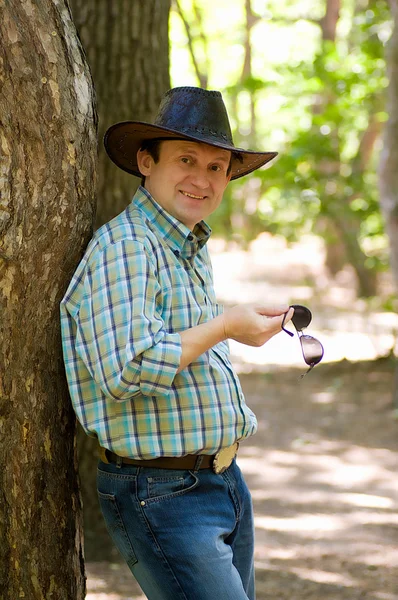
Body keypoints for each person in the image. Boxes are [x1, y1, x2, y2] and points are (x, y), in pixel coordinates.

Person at [60, 86, 294, 600]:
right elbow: (126, 368)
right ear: (147, 161)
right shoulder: (126, 248)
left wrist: (239, 322)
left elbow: (181, 342)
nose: (202, 178)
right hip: (162, 494)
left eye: (216, 167)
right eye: (186, 160)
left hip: (222, 480)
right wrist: (227, 325)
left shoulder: (187, 245)